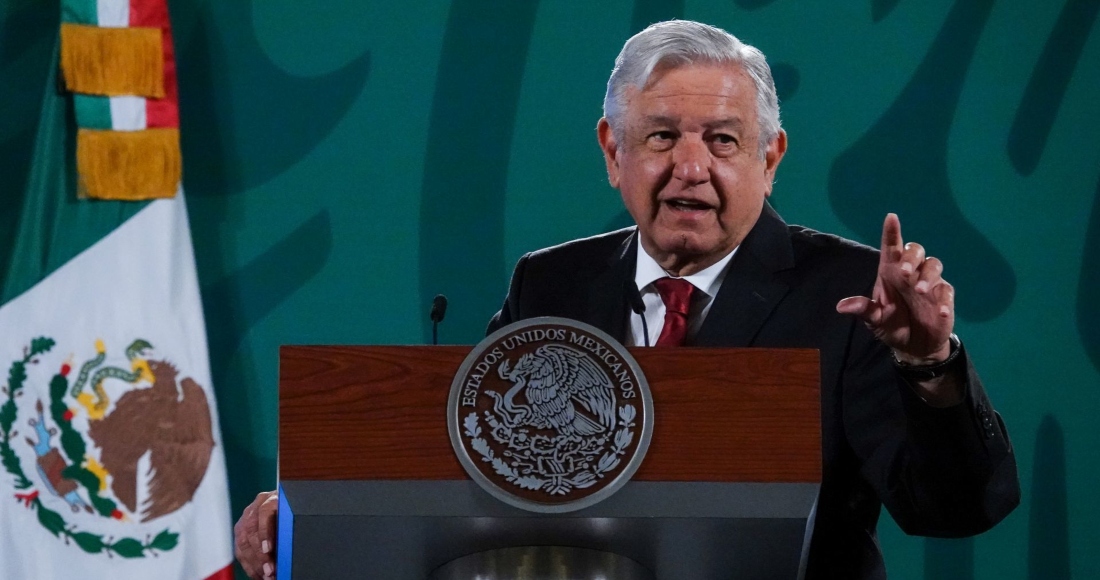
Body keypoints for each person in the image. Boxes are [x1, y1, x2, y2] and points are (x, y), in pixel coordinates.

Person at [234, 20, 1019, 580]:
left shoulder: (849, 296)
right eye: (661, 136)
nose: (690, 167)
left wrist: (929, 364)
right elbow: (471, 465)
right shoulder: (551, 285)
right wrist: (302, 513)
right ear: (614, 152)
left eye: (722, 140)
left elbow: (953, 509)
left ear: (770, 158)